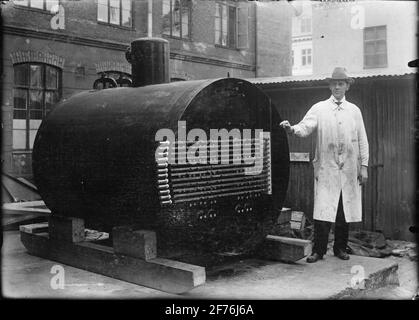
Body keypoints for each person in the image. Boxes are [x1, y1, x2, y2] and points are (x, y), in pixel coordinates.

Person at [280, 67, 369, 263]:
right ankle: (318, 251)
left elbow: (362, 139)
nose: (337, 87)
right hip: (326, 168)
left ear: (347, 86)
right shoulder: (319, 108)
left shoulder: (354, 111)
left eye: (341, 83)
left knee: (343, 211)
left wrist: (364, 167)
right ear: (329, 85)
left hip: (349, 169)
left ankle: (339, 248)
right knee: (323, 211)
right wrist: (291, 129)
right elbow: (305, 127)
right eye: (334, 83)